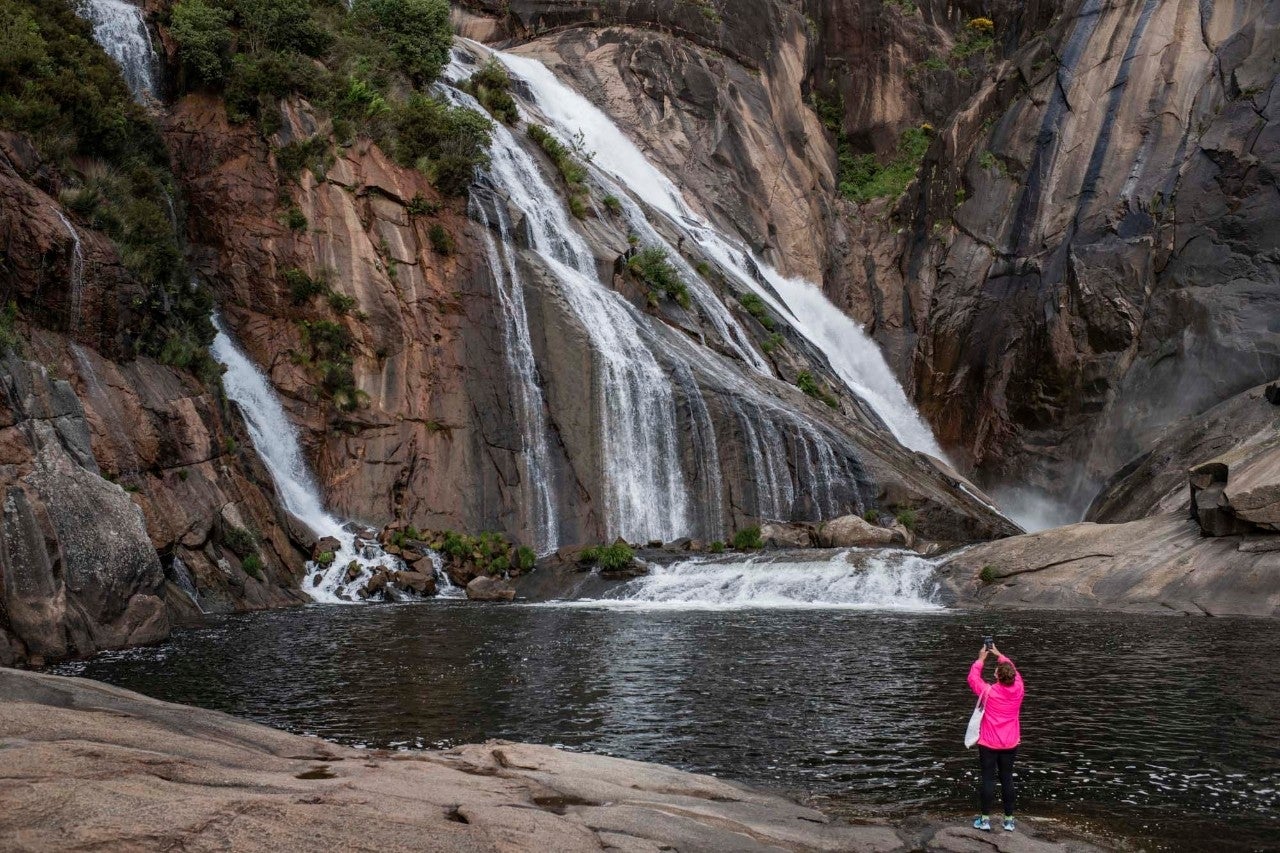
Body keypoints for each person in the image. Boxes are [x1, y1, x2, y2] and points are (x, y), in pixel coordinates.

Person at [967, 642, 1024, 832]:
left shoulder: (988, 692)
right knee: (1007, 778)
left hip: (989, 743)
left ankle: (984, 820)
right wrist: (1000, 655)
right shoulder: (1019, 688)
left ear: (998, 677)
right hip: (1010, 742)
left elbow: (973, 678)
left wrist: (981, 659)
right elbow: (1012, 669)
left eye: (996, 672)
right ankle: (1008, 820)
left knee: (988, 779)